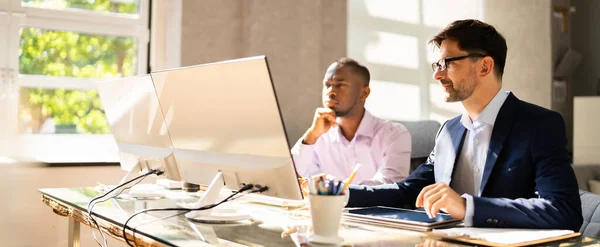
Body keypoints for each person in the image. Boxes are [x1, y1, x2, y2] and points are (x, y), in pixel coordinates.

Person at [346, 19, 583, 231]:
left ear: (484, 66)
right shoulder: (448, 131)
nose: (437, 75)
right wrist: (340, 193)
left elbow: (563, 210)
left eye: (447, 63)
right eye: (437, 65)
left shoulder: (539, 125)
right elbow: (409, 191)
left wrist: (467, 206)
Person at [291, 58, 411, 185]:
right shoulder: (319, 137)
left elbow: (390, 184)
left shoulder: (394, 134)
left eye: (340, 85)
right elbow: (293, 177)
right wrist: (311, 135)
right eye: (327, 85)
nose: (330, 92)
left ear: (364, 93)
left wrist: (337, 190)